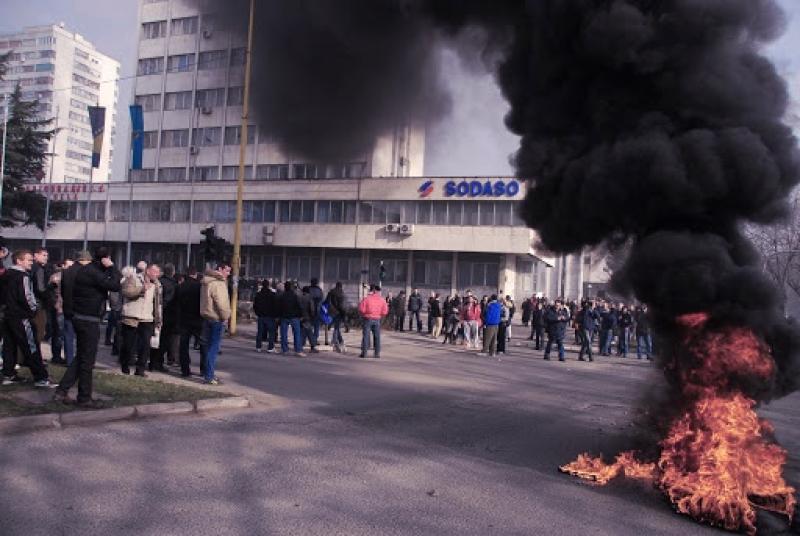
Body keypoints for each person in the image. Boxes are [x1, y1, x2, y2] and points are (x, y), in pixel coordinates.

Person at [54, 247, 121, 407]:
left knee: (82, 357)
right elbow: (115, 285)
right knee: (87, 361)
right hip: (88, 319)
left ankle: (62, 390)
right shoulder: (92, 273)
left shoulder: (87, 271)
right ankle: (84, 397)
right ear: (105, 259)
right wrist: (112, 267)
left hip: (79, 316)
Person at [2, 250, 56, 387]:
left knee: (10, 345)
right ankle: (41, 378)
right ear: (19, 261)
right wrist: (33, 310)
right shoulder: (23, 276)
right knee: (31, 346)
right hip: (21, 316)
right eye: (28, 260)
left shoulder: (6, 274)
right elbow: (27, 296)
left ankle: (8, 374)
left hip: (8, 315)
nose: (31, 263)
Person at [120, 263, 163, 376]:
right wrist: (142, 289)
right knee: (128, 345)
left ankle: (140, 370)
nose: (157, 275)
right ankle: (125, 365)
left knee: (145, 346)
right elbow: (126, 292)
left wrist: (158, 319)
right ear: (148, 271)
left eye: (158, 273)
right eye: (155, 272)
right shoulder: (133, 278)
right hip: (131, 316)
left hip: (147, 318)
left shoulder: (157, 284)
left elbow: (158, 303)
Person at [200, 264, 232, 384]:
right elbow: (221, 303)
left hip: (206, 316)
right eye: (227, 270)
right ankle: (209, 375)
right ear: (220, 269)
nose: (228, 273)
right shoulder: (218, 283)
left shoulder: (206, 281)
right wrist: (226, 317)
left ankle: (207, 373)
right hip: (216, 318)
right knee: (213, 349)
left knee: (207, 347)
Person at [176, 267, 206, 377]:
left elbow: (177, 304)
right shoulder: (200, 287)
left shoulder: (180, 287)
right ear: (195, 274)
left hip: (184, 320)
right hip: (198, 319)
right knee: (203, 345)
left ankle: (185, 370)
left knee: (183, 345)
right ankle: (203, 369)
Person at [49, 259, 74, 365]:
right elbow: (51, 291)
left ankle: (66, 358)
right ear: (63, 266)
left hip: (68, 308)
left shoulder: (72, 276)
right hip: (59, 307)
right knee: (59, 333)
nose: (71, 268)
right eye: (69, 265)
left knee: (67, 334)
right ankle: (57, 356)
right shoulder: (57, 276)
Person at [154, 263, 179, 368]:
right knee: (167, 339)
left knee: (158, 338)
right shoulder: (174, 284)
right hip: (169, 314)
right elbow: (170, 299)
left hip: (159, 313)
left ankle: (156, 360)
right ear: (173, 272)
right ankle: (163, 360)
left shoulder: (159, 282)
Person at [31, 247, 56, 348]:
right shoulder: (38, 269)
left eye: (47, 255)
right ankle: (35, 357)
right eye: (44, 255)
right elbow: (41, 289)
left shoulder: (34, 268)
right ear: (36, 255)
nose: (46, 257)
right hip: (39, 304)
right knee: (39, 331)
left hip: (33, 303)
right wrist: (53, 285)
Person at [358, 284, 388, 358]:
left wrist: (365, 313)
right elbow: (385, 311)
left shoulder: (367, 299)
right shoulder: (382, 300)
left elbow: (361, 309)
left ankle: (364, 353)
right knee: (377, 337)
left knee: (366, 336)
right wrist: (379, 314)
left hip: (368, 318)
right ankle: (377, 353)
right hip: (377, 319)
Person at [277, 280, 304, 356]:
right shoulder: (295, 296)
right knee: (296, 334)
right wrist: (301, 315)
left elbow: (279, 307)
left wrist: (279, 316)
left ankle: (285, 350)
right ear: (291, 288)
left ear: (285, 287)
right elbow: (299, 306)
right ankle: (298, 350)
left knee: (283, 334)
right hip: (294, 317)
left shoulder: (282, 296)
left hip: (284, 317)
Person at [254, 278, 279, 353]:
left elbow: (255, 305)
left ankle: (258, 347)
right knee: (271, 332)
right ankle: (270, 348)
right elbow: (275, 305)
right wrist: (275, 315)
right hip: (270, 316)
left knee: (260, 332)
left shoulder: (258, 294)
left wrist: (257, 313)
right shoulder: (272, 294)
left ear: (262, 285)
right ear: (268, 285)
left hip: (261, 315)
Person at [325, 281, 346, 353]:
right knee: (336, 328)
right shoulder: (341, 293)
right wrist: (343, 314)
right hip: (338, 312)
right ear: (341, 286)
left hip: (331, 312)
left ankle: (340, 341)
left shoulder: (331, 292)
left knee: (336, 328)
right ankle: (334, 343)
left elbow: (326, 301)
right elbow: (341, 306)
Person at [299, 286, 319, 353]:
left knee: (302, 332)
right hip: (307, 317)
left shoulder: (299, 297)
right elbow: (312, 309)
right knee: (309, 332)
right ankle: (312, 347)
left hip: (300, 317)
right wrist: (312, 316)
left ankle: (301, 345)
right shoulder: (309, 298)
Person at [308, 277, 324, 350]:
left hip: (309, 311)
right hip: (317, 311)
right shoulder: (319, 290)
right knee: (316, 327)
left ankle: (311, 340)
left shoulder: (308, 289)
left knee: (309, 327)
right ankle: (314, 340)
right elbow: (321, 300)